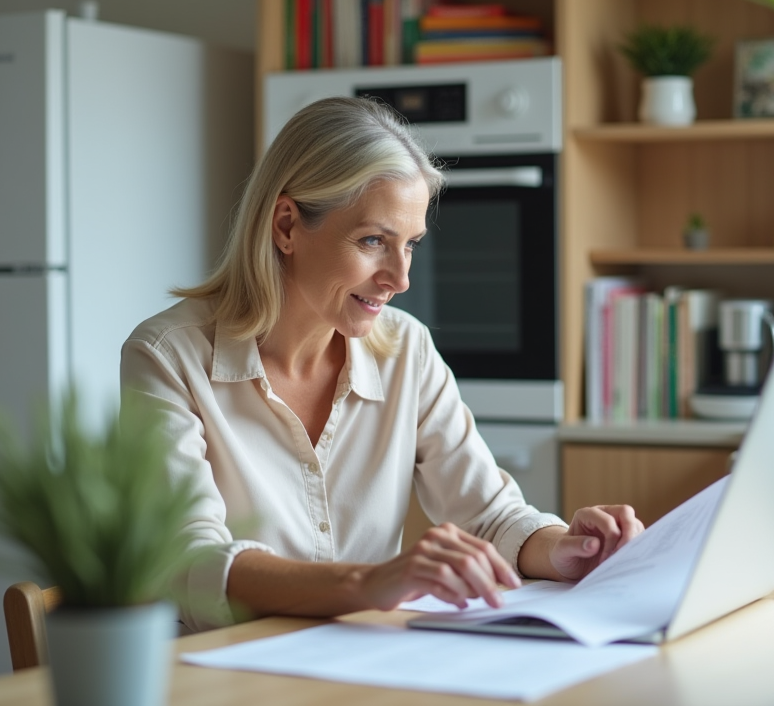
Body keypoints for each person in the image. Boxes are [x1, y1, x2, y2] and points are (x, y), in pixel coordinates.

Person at [121, 96, 643, 632]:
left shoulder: (407, 350)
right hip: (221, 674)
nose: (401, 278)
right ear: (286, 226)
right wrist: (365, 584)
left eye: (410, 245)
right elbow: (187, 566)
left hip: (360, 665)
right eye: (373, 241)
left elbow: (490, 516)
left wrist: (566, 549)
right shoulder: (167, 357)